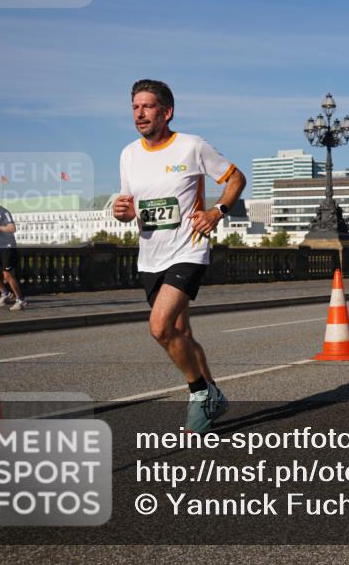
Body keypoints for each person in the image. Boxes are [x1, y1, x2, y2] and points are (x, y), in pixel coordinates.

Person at [112, 79, 245, 433]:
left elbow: (236, 179)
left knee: (160, 327)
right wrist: (122, 212)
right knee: (180, 332)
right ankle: (211, 397)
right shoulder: (128, 154)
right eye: (135, 107)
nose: (139, 113)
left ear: (166, 112)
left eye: (147, 106)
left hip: (188, 249)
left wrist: (217, 211)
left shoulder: (191, 146)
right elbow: (130, 206)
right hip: (150, 256)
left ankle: (200, 393)